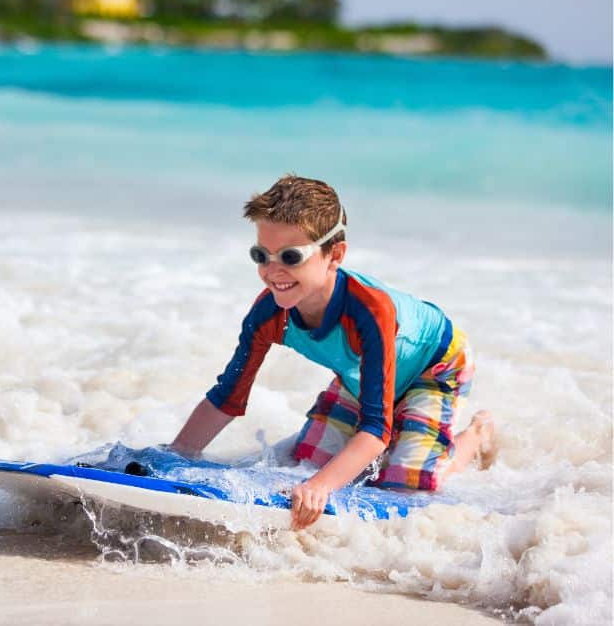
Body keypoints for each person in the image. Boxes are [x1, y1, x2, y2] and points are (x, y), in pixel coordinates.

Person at [169, 175, 496, 529]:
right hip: (364, 372)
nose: (272, 270)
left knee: (403, 486)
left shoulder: (369, 312)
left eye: (291, 257)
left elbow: (375, 430)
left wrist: (320, 487)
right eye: (261, 255)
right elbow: (227, 397)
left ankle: (475, 437)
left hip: (435, 366)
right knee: (305, 462)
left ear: (334, 255)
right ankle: (405, 442)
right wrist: (175, 457)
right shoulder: (268, 314)